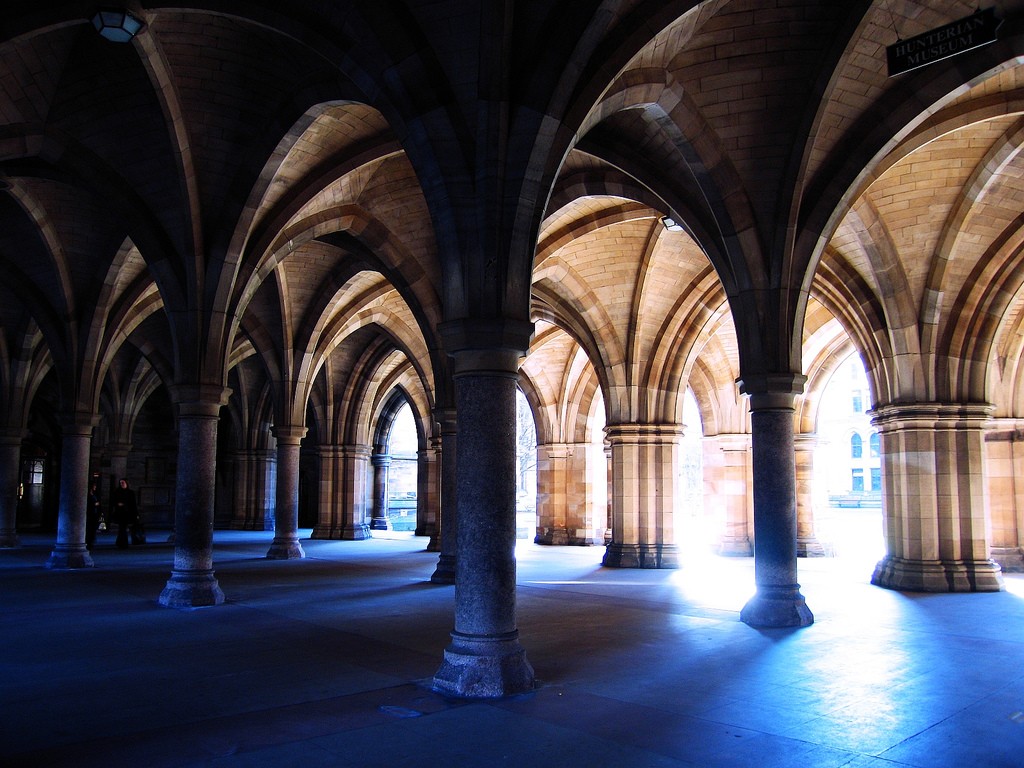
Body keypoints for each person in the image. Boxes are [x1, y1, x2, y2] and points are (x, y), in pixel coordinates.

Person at [112, 478, 139, 549]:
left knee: (123, 528)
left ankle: (121, 542)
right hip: (120, 513)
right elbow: (114, 501)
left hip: (128, 513)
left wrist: (136, 514)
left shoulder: (130, 493)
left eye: (123, 483)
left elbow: (133, 504)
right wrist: (118, 504)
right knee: (122, 528)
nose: (122, 484)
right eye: (121, 483)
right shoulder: (117, 492)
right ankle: (122, 543)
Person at [85, 482, 101, 549]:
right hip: (90, 513)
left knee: (93, 528)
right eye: (94, 486)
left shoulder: (93, 494)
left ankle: (91, 541)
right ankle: (88, 542)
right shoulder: (88, 495)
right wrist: (95, 504)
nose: (95, 487)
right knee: (89, 528)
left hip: (94, 513)